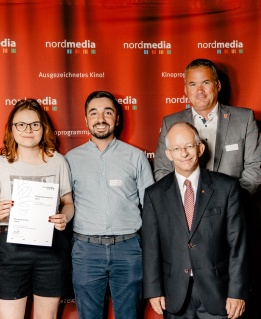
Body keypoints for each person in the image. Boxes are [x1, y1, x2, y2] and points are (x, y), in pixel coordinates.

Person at [142, 122, 248, 319]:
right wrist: (153, 289)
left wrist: (237, 292)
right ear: (169, 154)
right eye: (177, 148)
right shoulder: (154, 195)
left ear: (200, 149)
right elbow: (151, 247)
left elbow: (238, 245)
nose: (184, 153)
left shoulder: (227, 188)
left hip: (219, 293)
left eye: (189, 146)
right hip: (175, 293)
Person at [0, 99, 74, 319]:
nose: (28, 130)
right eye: (20, 124)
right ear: (11, 129)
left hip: (52, 249)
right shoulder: (1, 164)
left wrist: (64, 217)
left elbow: (68, 203)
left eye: (34, 124)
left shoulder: (58, 161)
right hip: (12, 250)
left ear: (44, 128)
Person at [65, 91, 154, 319]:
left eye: (107, 112)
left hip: (129, 249)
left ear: (117, 118)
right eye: (93, 113)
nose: (100, 118)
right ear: (86, 120)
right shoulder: (70, 160)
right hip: (86, 251)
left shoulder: (136, 157)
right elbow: (63, 204)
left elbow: (151, 209)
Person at [154, 58, 261, 196]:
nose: (200, 90)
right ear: (185, 89)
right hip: (188, 209)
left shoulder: (244, 119)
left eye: (206, 82)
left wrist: (229, 201)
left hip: (233, 207)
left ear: (217, 85)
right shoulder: (170, 123)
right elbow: (162, 171)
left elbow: (255, 170)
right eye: (193, 84)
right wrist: (186, 200)